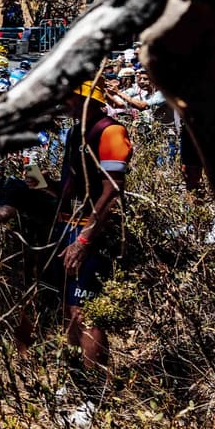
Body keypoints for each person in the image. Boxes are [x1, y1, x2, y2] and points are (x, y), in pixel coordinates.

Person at [55, 80, 131, 377]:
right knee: (68, 309)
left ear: (88, 98)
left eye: (72, 97)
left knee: (85, 312)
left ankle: (93, 392)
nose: (66, 102)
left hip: (92, 232)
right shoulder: (75, 132)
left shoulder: (110, 131)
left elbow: (112, 191)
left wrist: (85, 239)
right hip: (67, 227)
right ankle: (75, 378)